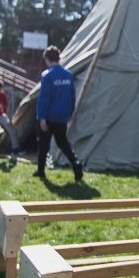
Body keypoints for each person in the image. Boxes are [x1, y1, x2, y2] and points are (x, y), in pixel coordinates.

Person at [35, 45, 82, 181]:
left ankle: (41, 171)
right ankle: (76, 164)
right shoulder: (68, 75)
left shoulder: (47, 75)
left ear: (47, 59)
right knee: (63, 143)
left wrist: (42, 118)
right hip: (62, 117)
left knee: (43, 144)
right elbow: (72, 96)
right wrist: (71, 112)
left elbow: (44, 98)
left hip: (48, 116)